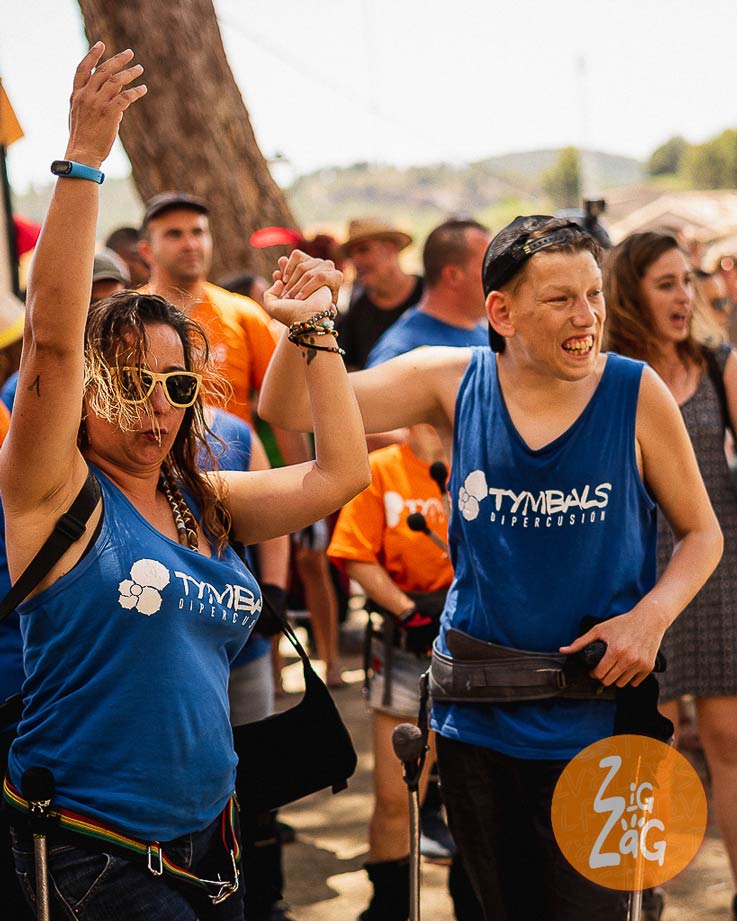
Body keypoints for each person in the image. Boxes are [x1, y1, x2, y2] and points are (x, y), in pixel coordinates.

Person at [259, 215, 723, 920]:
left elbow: (700, 532)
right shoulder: (449, 381)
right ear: (500, 312)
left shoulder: (634, 392)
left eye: (593, 294)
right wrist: (307, 325)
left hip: (597, 720)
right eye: (561, 298)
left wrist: (650, 617)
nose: (587, 316)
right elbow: (290, 404)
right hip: (476, 723)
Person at [0, 44, 369, 921]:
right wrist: (86, 156)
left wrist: (314, 331)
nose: (154, 408)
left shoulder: (202, 497)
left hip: (209, 845)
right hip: (97, 855)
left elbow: (340, 473)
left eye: (174, 385)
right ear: (86, 393)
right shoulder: (54, 493)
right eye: (128, 382)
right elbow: (53, 341)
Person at [604, 231, 737, 920]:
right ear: (630, 291)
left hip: (718, 574)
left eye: (687, 280)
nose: (683, 295)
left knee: (729, 745)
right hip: (635, 584)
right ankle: (639, 897)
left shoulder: (720, 366)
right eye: (664, 283)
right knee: (641, 754)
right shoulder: (607, 376)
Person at [328, 424, 480, 921]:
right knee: (396, 795)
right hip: (408, 641)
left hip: (479, 646)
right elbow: (354, 552)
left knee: (473, 796)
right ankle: (390, 905)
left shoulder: (487, 460)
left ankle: (474, 903)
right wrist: (409, 613)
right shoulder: (383, 469)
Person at [365, 219, 490, 368]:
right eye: (488, 266)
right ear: (453, 275)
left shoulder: (486, 336)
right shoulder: (401, 353)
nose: (497, 277)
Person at [337, 217, 423, 370]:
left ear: (391, 248)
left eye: (364, 250)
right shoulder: (356, 315)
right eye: (351, 255)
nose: (356, 261)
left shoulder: (429, 293)